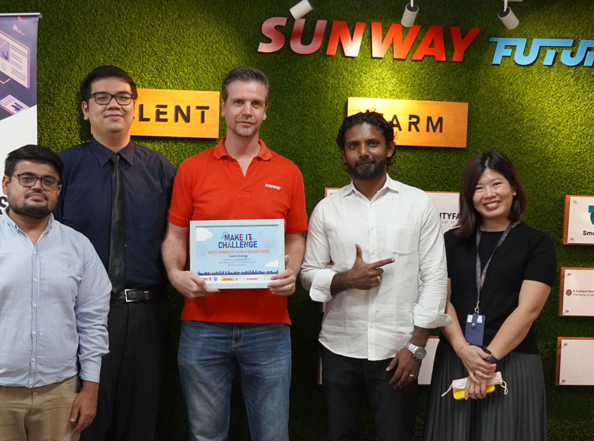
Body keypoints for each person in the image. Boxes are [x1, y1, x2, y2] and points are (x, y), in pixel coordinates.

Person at [0, 145, 111, 441]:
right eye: (27, 178)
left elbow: (93, 323)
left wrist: (90, 388)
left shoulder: (79, 248)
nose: (38, 186)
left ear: (58, 189)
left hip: (59, 397)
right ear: (6, 183)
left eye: (48, 181)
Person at [162, 66, 307, 441]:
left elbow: (295, 238)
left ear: (265, 112)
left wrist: (292, 270)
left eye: (255, 103)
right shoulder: (192, 170)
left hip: (270, 326)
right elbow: (175, 236)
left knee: (272, 436)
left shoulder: (289, 173)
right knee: (205, 435)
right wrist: (176, 275)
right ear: (222, 108)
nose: (247, 110)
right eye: (239, 102)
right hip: (203, 323)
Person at [300, 111, 450, 441]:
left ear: (390, 149)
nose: (364, 152)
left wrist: (417, 347)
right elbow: (308, 274)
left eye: (373, 143)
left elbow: (436, 278)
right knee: (341, 435)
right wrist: (345, 280)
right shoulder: (328, 209)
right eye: (354, 145)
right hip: (339, 348)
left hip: (398, 350)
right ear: (343, 154)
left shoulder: (418, 204)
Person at [54, 65, 176, 441]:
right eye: (102, 97)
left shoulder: (161, 170)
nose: (114, 105)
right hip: (78, 317)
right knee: (82, 425)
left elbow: (181, 238)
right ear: (85, 109)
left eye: (123, 97)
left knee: (140, 424)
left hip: (147, 317)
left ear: (134, 107)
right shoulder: (62, 168)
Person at [424, 151, 556, 441]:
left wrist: (486, 361)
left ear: (512, 187)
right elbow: (440, 299)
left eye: (496, 184)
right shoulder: (450, 241)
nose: (489, 194)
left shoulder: (538, 243)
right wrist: (462, 349)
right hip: (456, 359)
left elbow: (528, 310)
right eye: (479, 187)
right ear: (469, 195)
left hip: (512, 362)